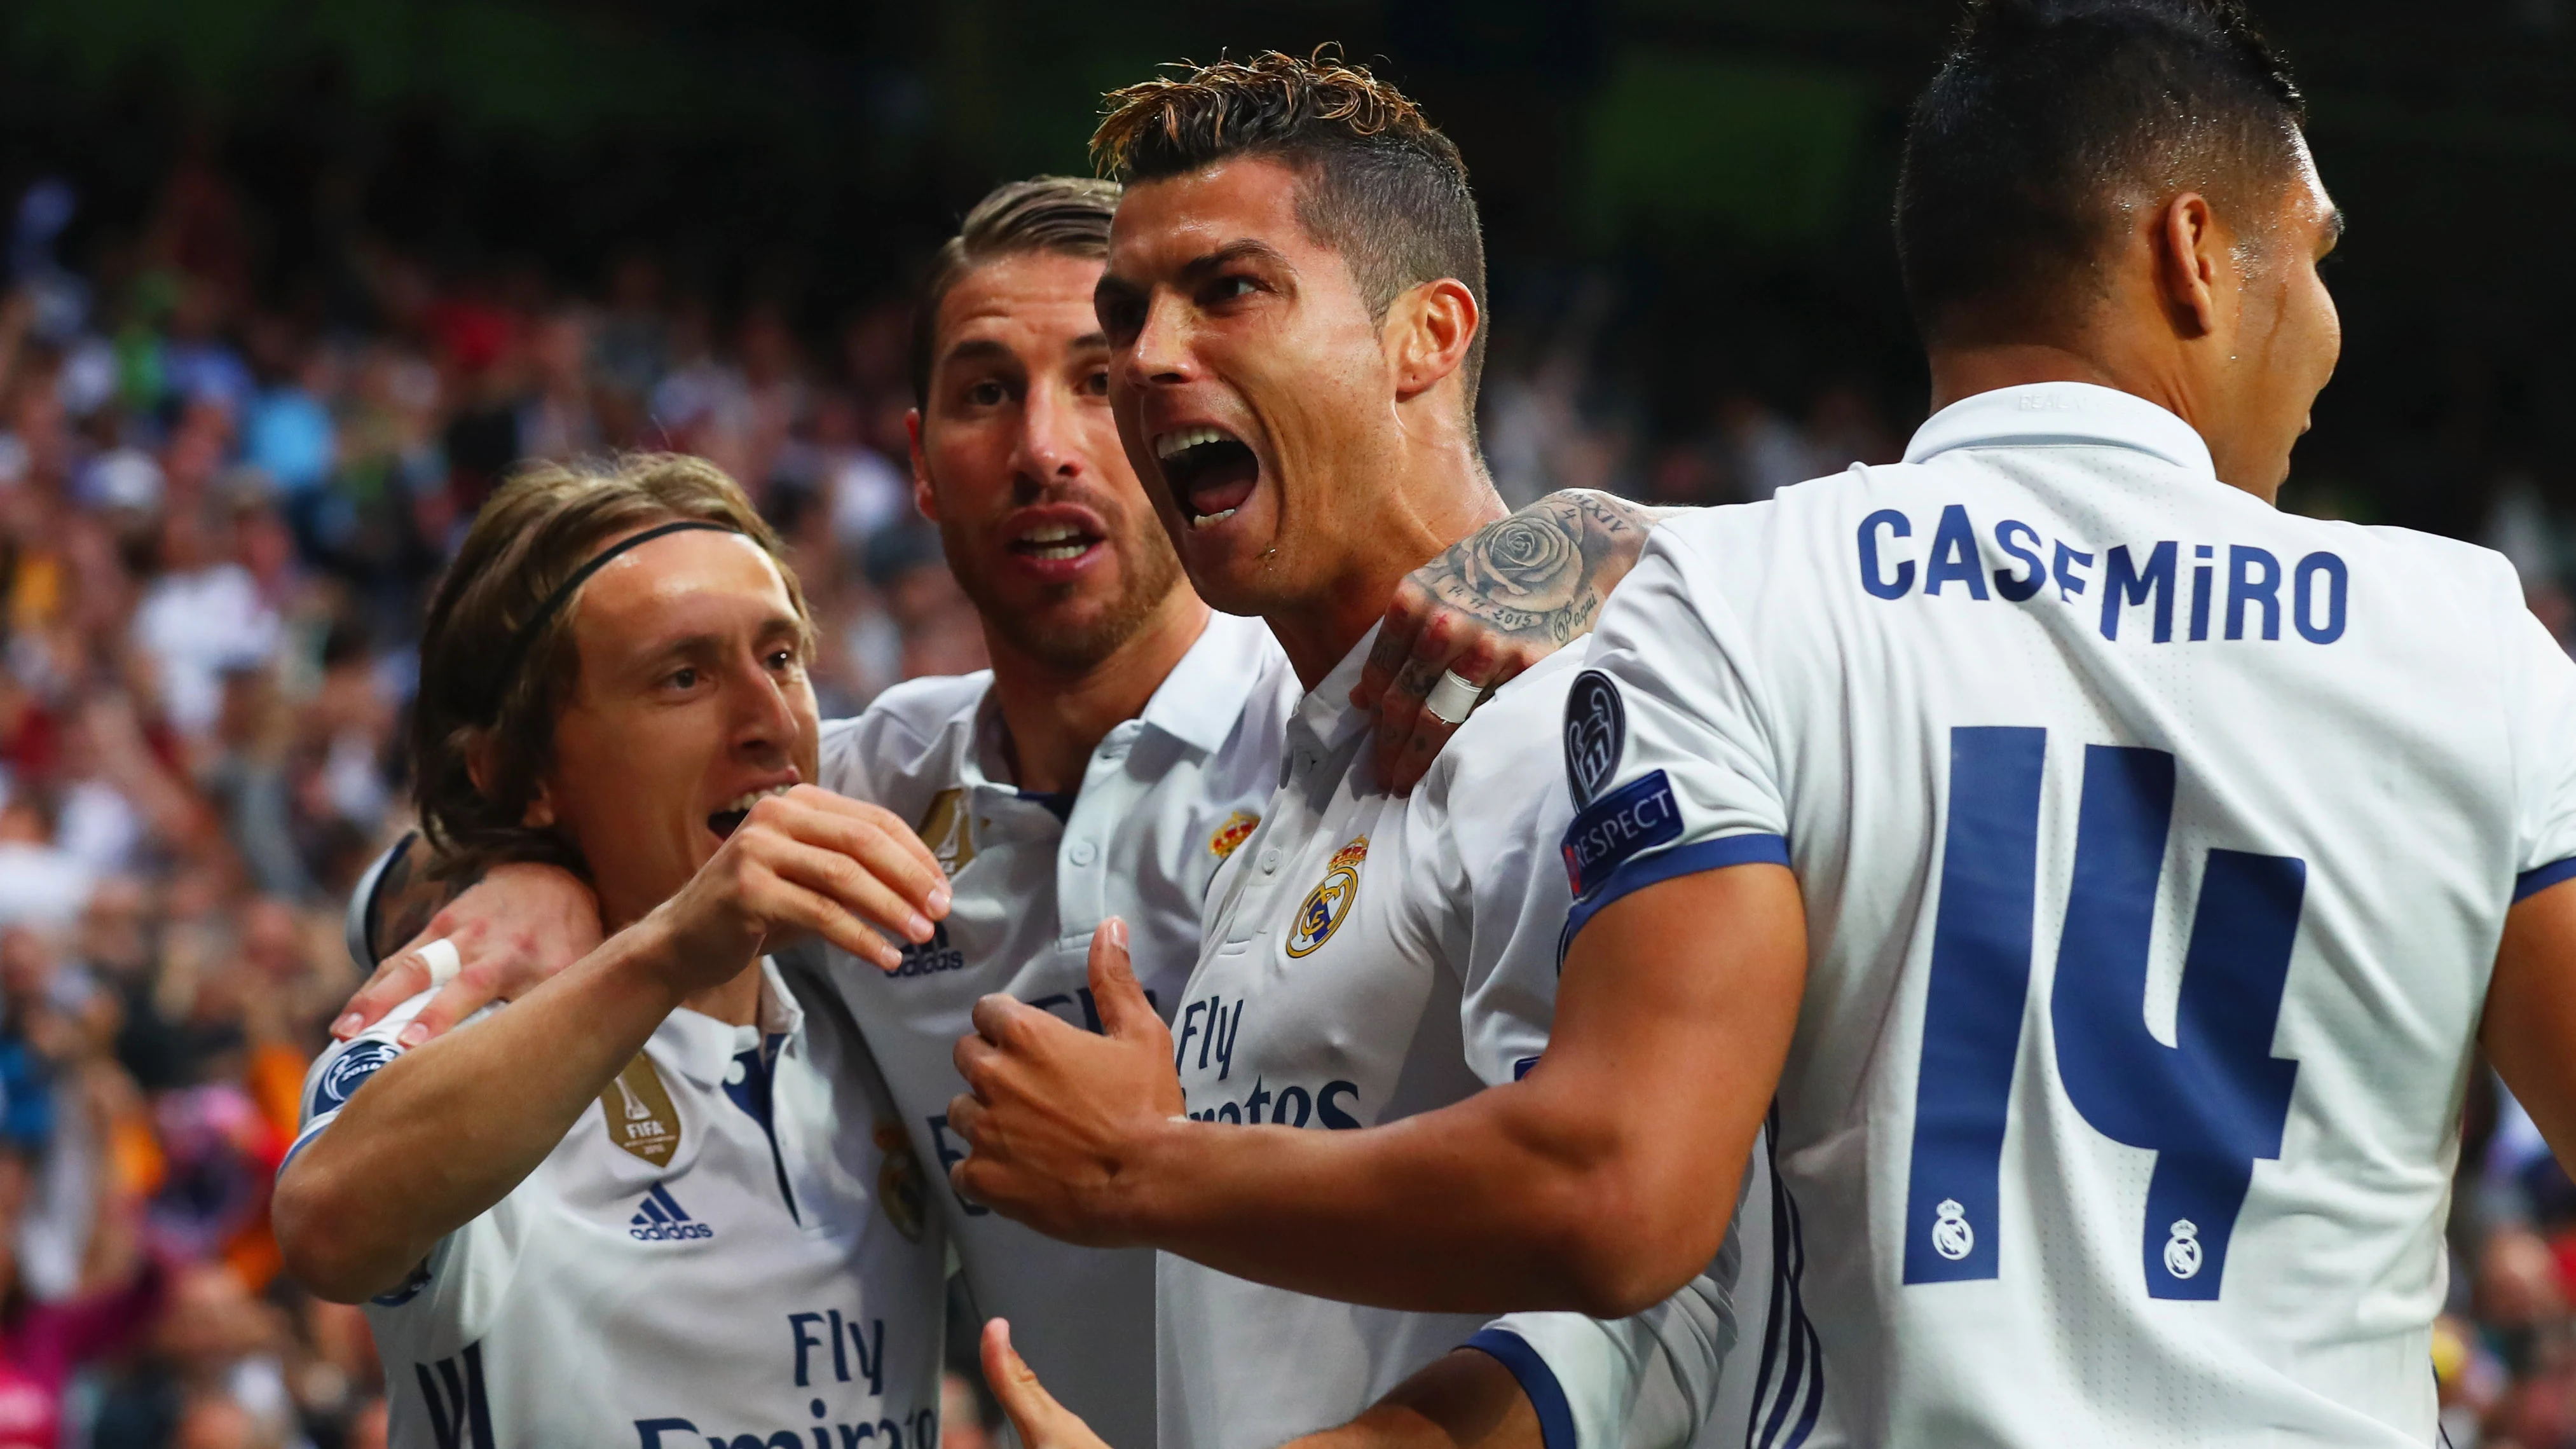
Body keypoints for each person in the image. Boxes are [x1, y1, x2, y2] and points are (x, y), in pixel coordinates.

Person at [949, 3, 2576, 1446]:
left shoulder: (1724, 604)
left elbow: (1632, 1210)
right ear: (2193, 251)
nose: (2328, 327)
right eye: (2319, 259)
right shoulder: (2467, 639)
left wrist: (1136, 1169)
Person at [321, 177, 1661, 1449]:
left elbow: (1643, 1232)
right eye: (984, 393)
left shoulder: (1389, 715)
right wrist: (510, 875)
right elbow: (631, 805)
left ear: (1172, 420)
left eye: (1096, 383)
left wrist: (1589, 543)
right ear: (918, 461)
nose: (1042, 448)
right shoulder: (875, 790)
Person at [943, 53, 1758, 1449]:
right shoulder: (1304, 750)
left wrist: (1143, 1165)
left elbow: (1651, 1283)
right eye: (1129, 311)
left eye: (1230, 289)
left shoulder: (1567, 714)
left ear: (1424, 336)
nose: (1142, 358)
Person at [271, 455, 957, 1445]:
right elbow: (328, 1224)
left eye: (782, 658)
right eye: (683, 676)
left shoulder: (876, 1010)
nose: (772, 724)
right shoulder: (463, 1009)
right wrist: (665, 949)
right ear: (522, 774)